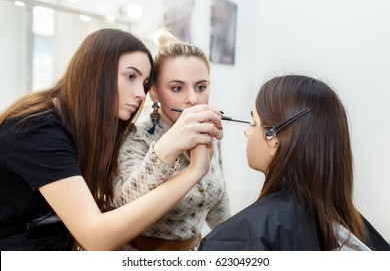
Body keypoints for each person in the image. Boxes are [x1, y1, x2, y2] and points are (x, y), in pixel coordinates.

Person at [0, 28, 223, 251]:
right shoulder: (36, 129)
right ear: (95, 72)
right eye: (130, 76)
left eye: (144, 83)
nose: (140, 93)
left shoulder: (93, 131)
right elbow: (96, 237)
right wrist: (193, 171)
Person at [198, 75, 390, 251]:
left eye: (253, 122)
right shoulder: (350, 229)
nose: (246, 131)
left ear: (274, 139)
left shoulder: (236, 240)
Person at [112, 31, 231, 251]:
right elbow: (123, 204)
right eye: (177, 88)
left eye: (201, 87)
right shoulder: (134, 138)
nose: (193, 99)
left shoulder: (209, 131)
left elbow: (219, 202)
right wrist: (171, 145)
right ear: (155, 93)